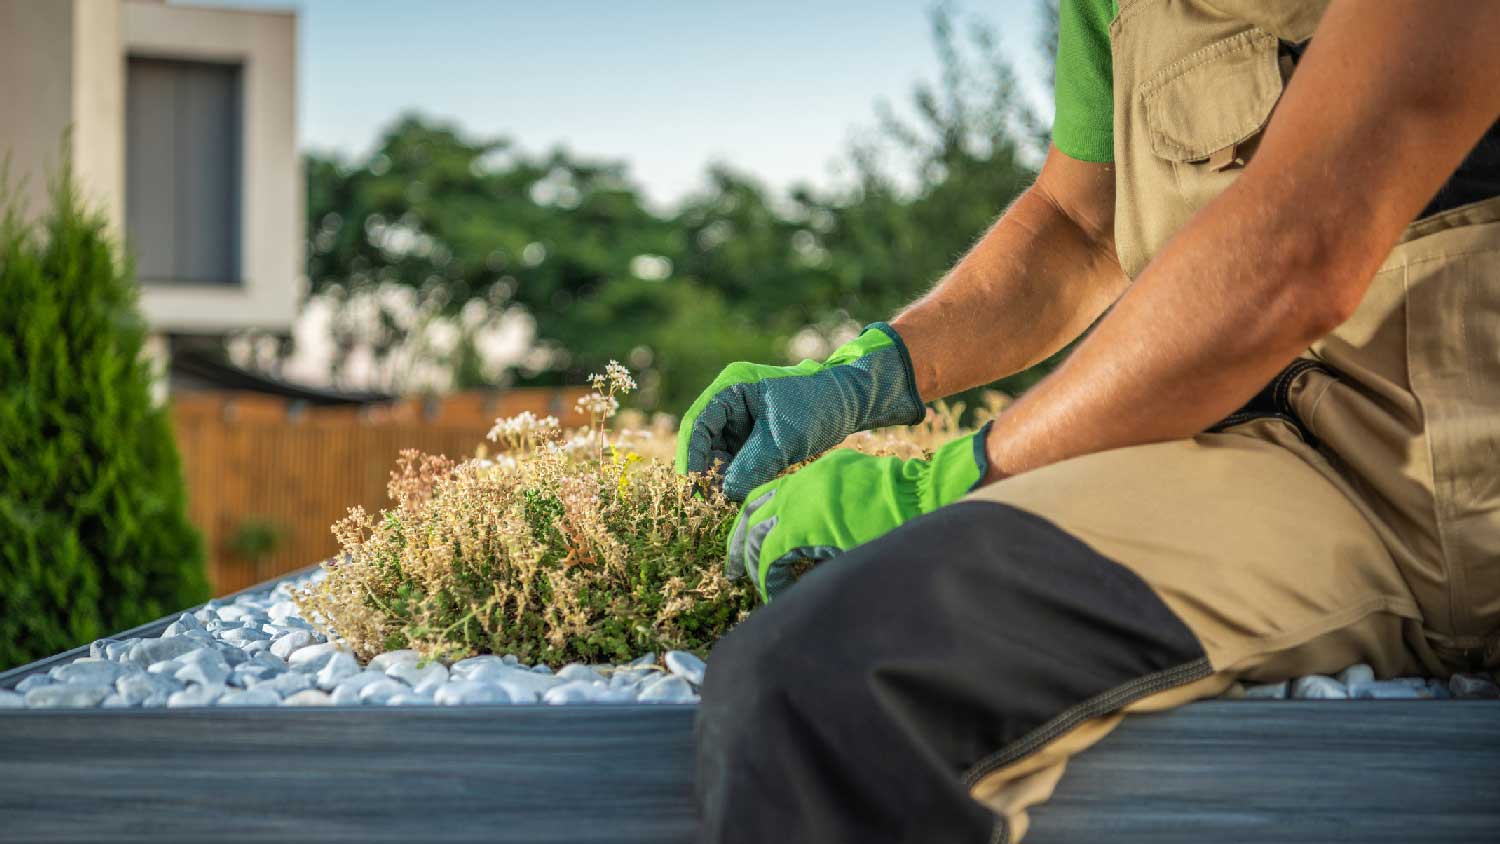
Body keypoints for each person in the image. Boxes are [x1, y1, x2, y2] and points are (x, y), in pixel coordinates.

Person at [677, 1, 1500, 841]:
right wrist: (859, 378)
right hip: (1300, 474)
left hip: (1473, 468)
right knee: (834, 678)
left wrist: (955, 480)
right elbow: (1078, 227)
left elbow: (1298, 250)